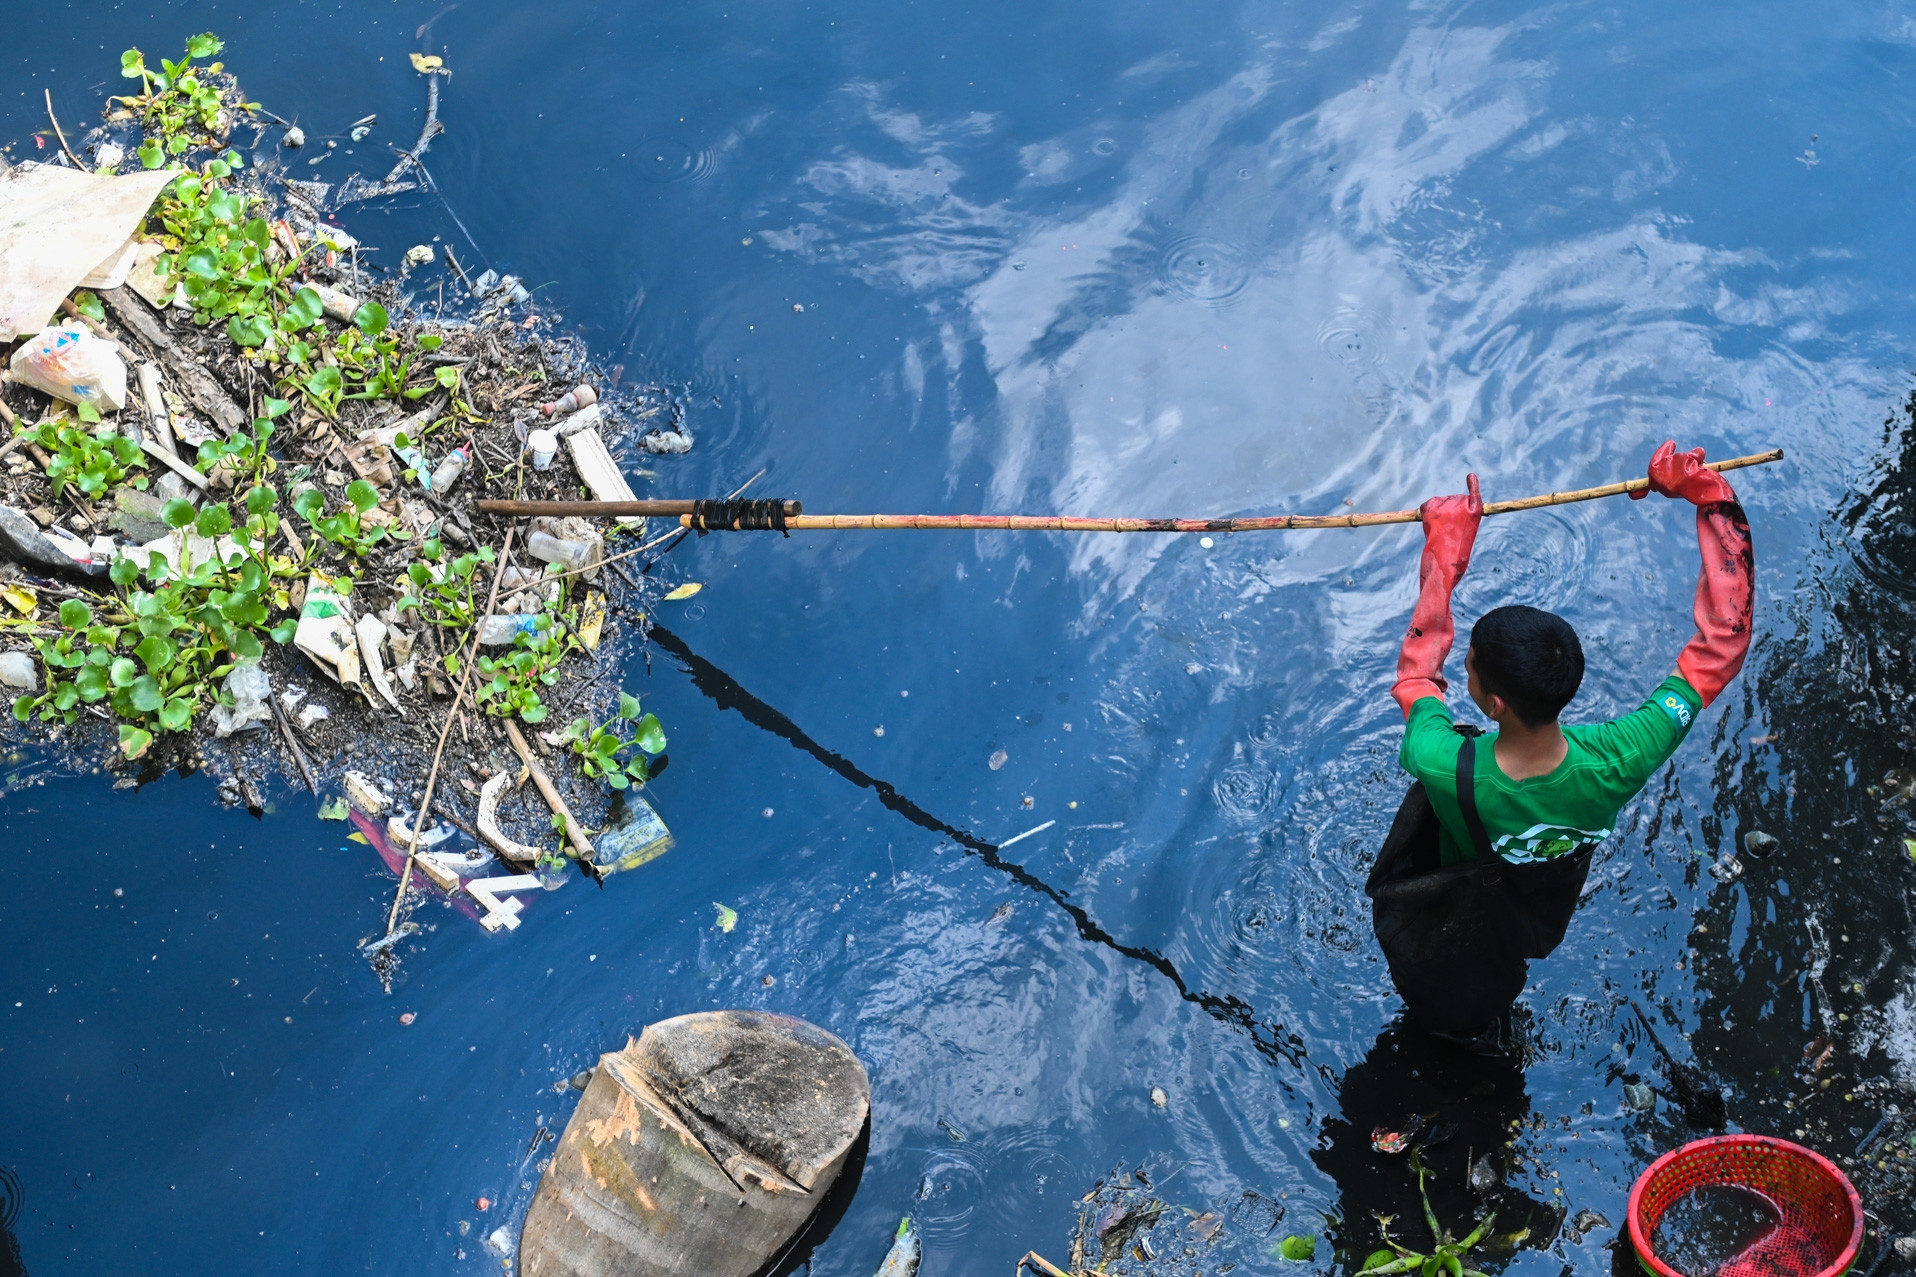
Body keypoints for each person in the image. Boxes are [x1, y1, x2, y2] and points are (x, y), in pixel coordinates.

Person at [1366, 441, 1755, 1053]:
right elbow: (1723, 645)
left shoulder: (1442, 761)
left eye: (1470, 668)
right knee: (1503, 966)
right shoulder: (1624, 754)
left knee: (1448, 1009)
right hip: (1534, 916)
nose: (1461, 672)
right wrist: (1710, 496)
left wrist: (1445, 549)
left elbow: (1416, 678)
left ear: (1492, 703)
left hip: (1455, 915)